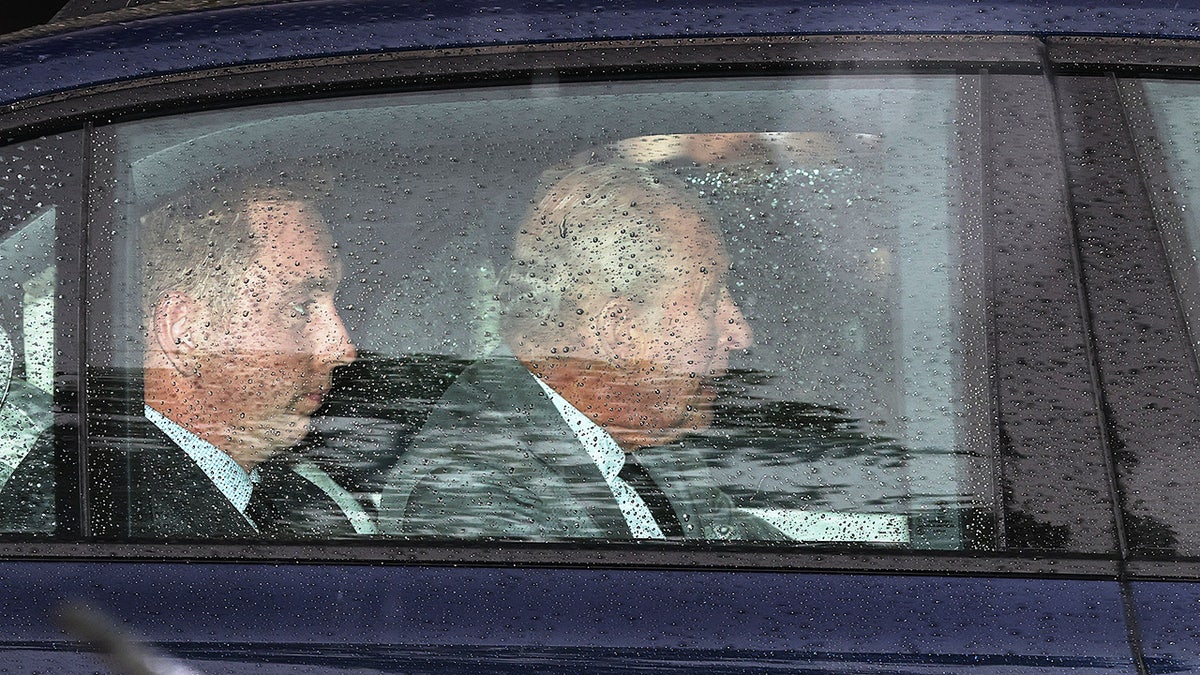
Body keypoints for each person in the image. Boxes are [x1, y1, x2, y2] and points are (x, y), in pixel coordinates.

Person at [379, 160, 783, 540]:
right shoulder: (472, 494)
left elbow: (732, 542)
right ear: (621, 331)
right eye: (710, 301)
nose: (739, 333)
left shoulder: (643, 431)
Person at [0, 172, 364, 537]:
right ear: (184, 332)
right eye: (299, 308)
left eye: (336, 305)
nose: (341, 347)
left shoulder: (297, 497)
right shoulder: (89, 509)